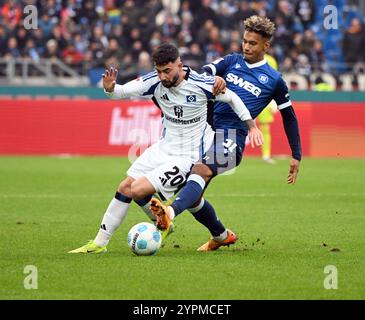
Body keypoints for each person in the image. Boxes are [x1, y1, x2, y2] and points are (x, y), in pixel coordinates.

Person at [69, 42, 263, 254]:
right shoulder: (153, 81)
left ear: (179, 65)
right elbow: (121, 92)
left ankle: (166, 219)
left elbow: (233, 98)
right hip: (163, 147)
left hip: (188, 156)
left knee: (138, 190)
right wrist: (109, 89)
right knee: (125, 187)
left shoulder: (201, 84)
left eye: (167, 71)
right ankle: (99, 243)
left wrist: (251, 125)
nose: (162, 76)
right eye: (159, 71)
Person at [150, 15, 302, 251]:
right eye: (245, 41)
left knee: (200, 172)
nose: (247, 47)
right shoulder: (231, 61)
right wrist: (214, 77)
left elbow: (289, 116)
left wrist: (296, 154)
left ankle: (168, 213)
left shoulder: (275, 80)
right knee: (192, 194)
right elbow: (201, 72)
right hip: (205, 131)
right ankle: (221, 236)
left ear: (266, 46)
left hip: (231, 137)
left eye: (253, 43)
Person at [257, 53, 279, 164]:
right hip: (246, 96)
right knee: (235, 125)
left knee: (265, 128)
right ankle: (228, 154)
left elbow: (274, 81)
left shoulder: (271, 60)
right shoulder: (247, 57)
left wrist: (274, 100)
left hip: (264, 99)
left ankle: (266, 155)